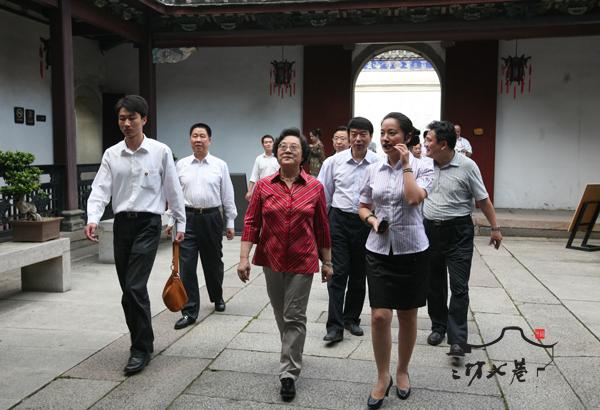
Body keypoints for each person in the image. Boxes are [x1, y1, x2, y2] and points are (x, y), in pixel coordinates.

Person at [84, 95, 186, 376]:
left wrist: (180, 223)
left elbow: (173, 189)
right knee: (127, 292)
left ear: (144, 120)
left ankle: (139, 349)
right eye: (122, 118)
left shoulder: (160, 151)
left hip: (148, 224)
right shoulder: (111, 154)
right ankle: (143, 341)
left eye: (132, 118)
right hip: (122, 226)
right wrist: (92, 218)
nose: (126, 123)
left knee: (134, 287)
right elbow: (100, 189)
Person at [237, 127, 332, 402]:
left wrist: (327, 262)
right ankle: (292, 348)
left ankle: (288, 373)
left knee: (294, 315)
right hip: (271, 257)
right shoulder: (264, 186)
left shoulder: (315, 187)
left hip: (303, 258)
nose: (287, 150)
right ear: (276, 153)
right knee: (281, 313)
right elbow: (251, 222)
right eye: (283, 147)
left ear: (303, 155)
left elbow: (322, 227)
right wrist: (244, 258)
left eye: (294, 147)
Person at [358, 112, 433, 408]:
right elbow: (363, 205)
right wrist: (372, 220)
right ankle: (382, 376)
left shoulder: (424, 166)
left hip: (412, 250)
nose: (386, 138)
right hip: (378, 249)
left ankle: (402, 371)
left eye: (392, 133)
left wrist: (405, 165)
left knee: (407, 315)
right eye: (383, 133)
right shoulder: (373, 168)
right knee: (379, 316)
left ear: (407, 137)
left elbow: (413, 198)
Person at [423, 120, 502, 359]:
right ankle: (438, 327)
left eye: (429, 140)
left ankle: (458, 340)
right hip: (430, 231)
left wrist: (495, 228)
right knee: (434, 283)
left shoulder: (467, 166)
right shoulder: (424, 165)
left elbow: (483, 199)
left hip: (458, 232)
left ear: (443, 144)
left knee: (459, 286)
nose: (425, 144)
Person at [167, 122, 237, 330]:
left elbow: (228, 195)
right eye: (194, 136)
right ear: (190, 140)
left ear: (209, 140)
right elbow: (174, 195)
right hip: (186, 219)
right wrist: (171, 219)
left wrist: (230, 221)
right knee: (187, 266)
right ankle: (189, 311)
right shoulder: (181, 165)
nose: (198, 139)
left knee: (213, 263)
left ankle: (217, 296)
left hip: (211, 218)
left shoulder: (219, 165)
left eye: (202, 136)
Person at [317, 117, 380, 343]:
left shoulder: (378, 163)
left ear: (370, 137)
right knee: (337, 272)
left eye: (363, 134)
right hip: (339, 220)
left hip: (366, 222)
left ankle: (351, 318)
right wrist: (322, 225)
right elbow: (323, 195)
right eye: (354, 134)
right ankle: (334, 326)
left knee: (359, 274)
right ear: (349, 136)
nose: (358, 139)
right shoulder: (333, 162)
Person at [245, 134, 279, 200]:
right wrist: (249, 191)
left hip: (277, 190)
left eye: (270, 142)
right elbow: (254, 176)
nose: (268, 144)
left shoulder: (278, 158)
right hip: (263, 190)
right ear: (263, 145)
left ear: (273, 143)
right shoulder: (259, 159)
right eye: (266, 142)